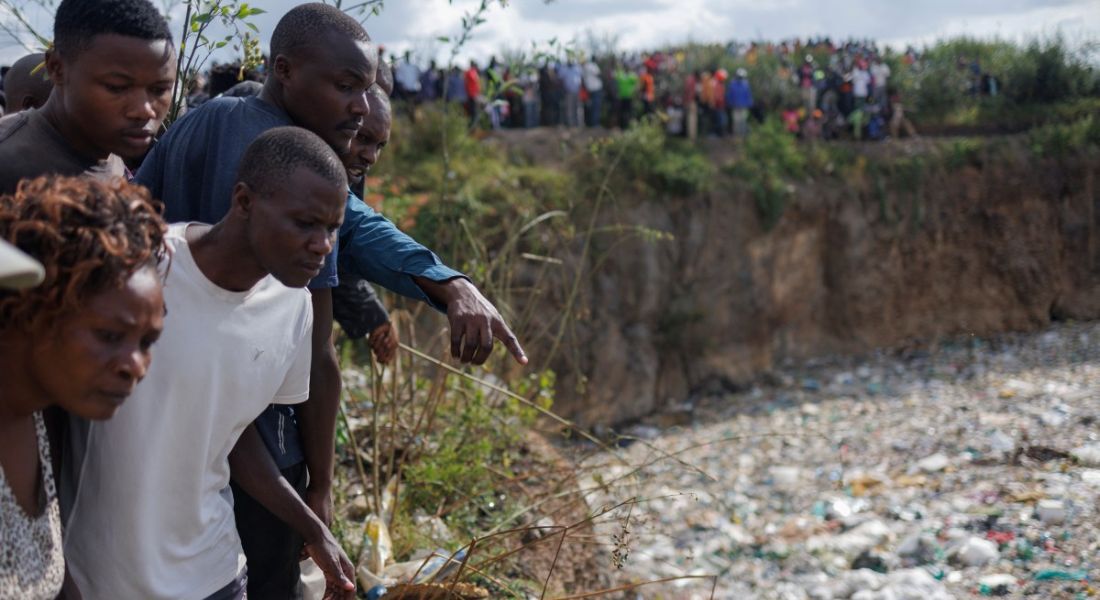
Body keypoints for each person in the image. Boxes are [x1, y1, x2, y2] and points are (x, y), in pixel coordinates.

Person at [136, 5, 526, 595]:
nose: (359, 108)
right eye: (347, 88)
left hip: (169, 423)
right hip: (247, 438)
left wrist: (444, 284)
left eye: (366, 92)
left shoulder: (212, 120)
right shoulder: (278, 154)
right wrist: (316, 493)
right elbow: (319, 351)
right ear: (286, 71)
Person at [65, 127, 355, 600]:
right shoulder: (143, 267)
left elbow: (232, 433)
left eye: (332, 227)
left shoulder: (293, 308)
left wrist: (313, 526)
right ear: (244, 201)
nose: (323, 244)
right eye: (305, 223)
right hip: (101, 576)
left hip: (215, 574)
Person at [0, 176, 166, 600]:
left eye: (147, 343)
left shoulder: (35, 415)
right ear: (33, 310)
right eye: (110, 335)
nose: (135, 367)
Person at [0, 0, 176, 195]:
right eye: (116, 87)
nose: (144, 110)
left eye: (159, 90)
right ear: (57, 68)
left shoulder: (107, 148)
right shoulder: (8, 161)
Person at [727, 68, 753, 139]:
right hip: (739, 106)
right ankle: (739, 136)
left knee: (739, 121)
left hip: (739, 106)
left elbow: (748, 95)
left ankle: (739, 136)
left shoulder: (736, 84)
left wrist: (730, 103)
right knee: (739, 121)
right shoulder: (744, 84)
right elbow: (730, 95)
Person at [582, 57, 603, 127]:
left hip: (588, 89)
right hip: (595, 89)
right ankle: (595, 124)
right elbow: (599, 74)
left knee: (589, 107)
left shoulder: (585, 66)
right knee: (595, 107)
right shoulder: (593, 66)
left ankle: (589, 123)